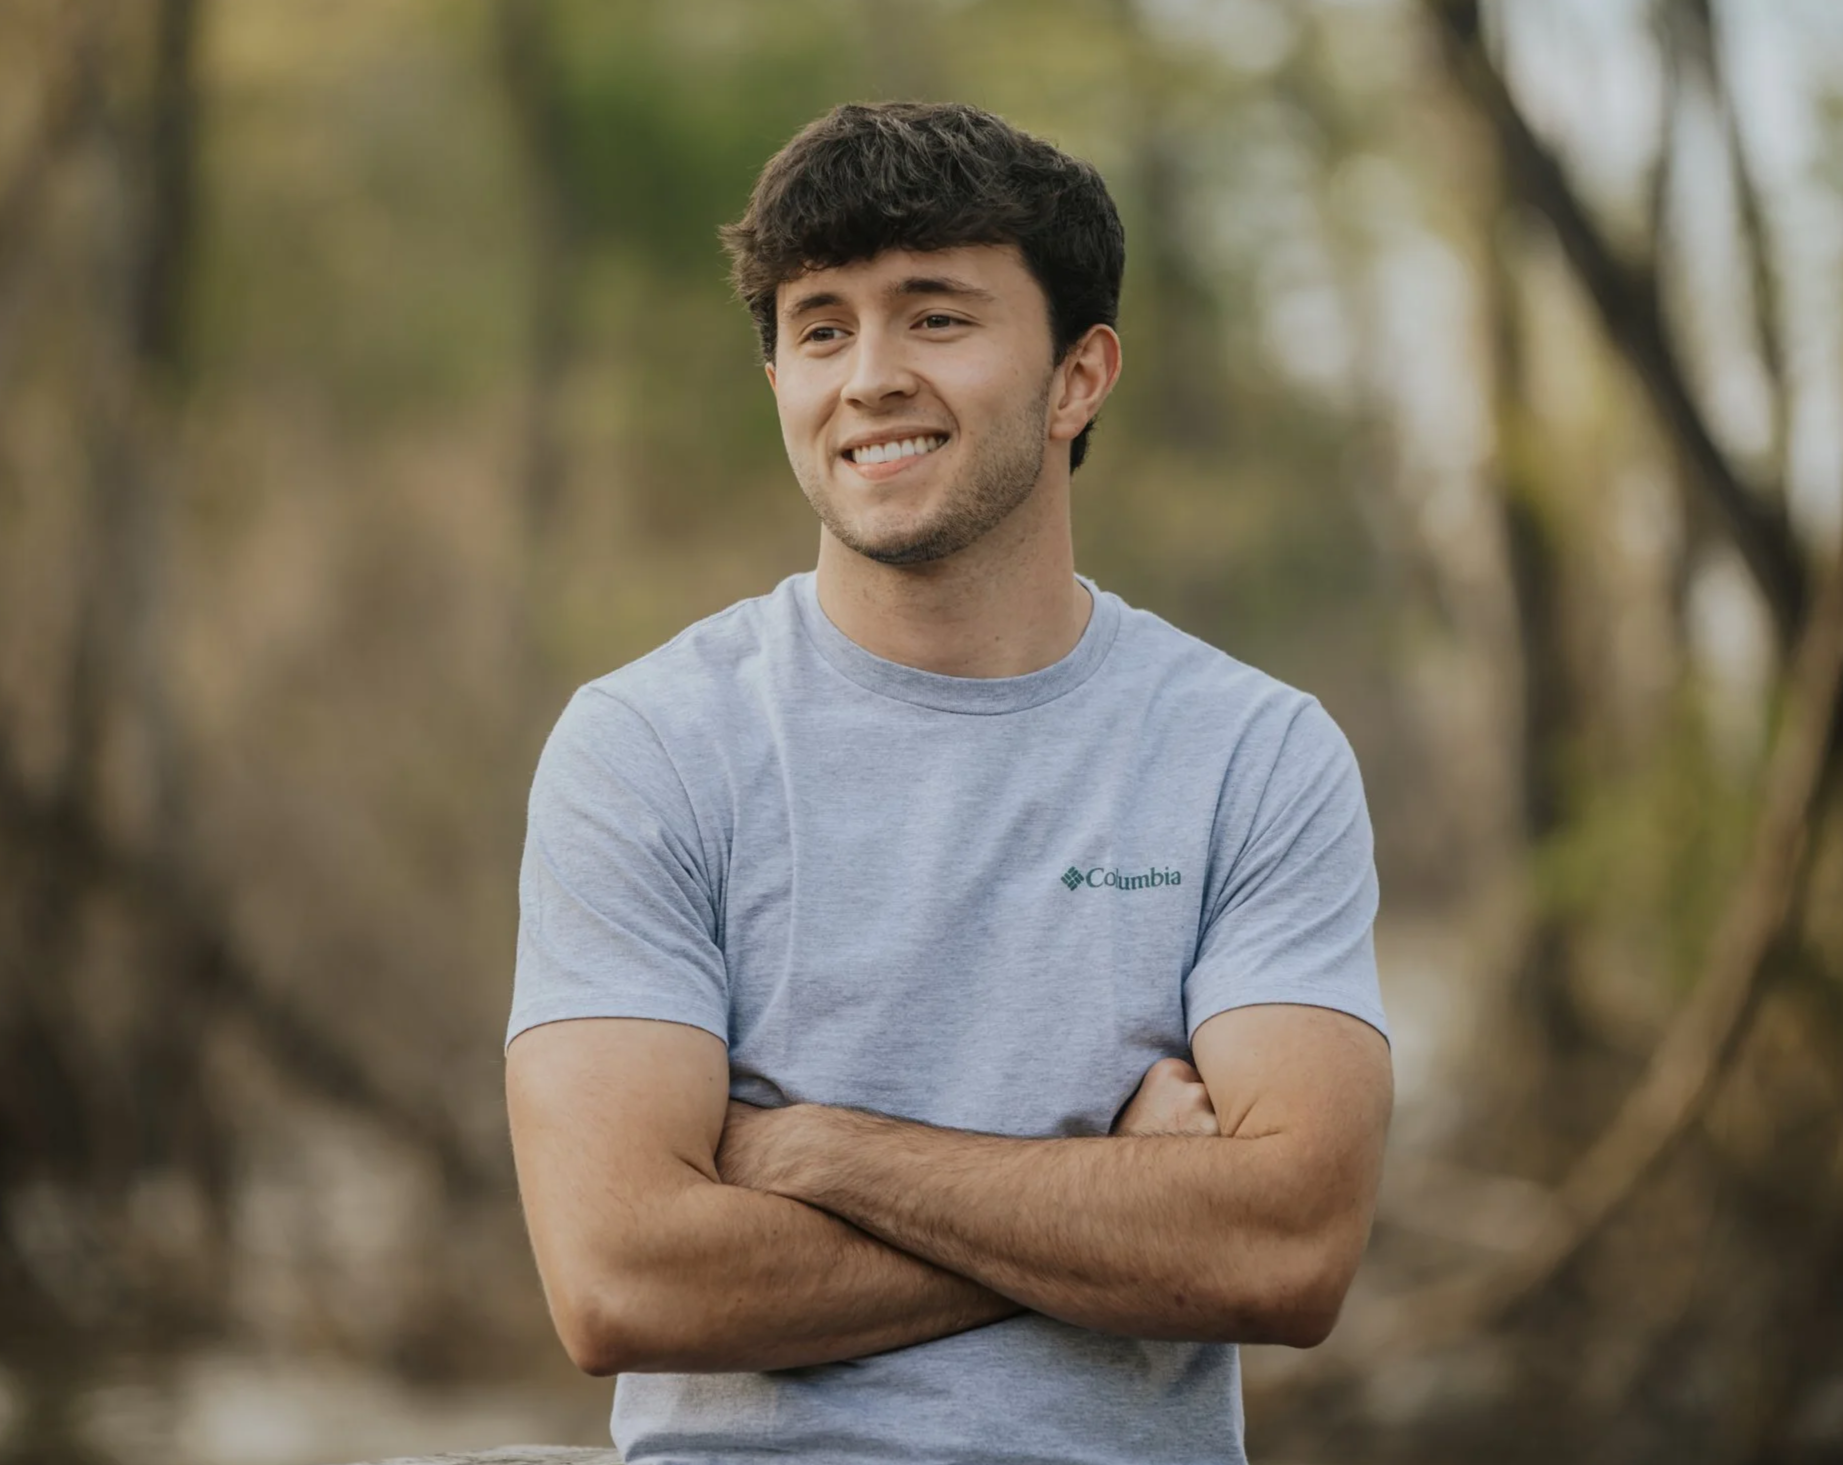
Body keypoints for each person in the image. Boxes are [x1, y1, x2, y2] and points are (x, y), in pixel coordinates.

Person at [502, 100, 1393, 1465]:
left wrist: (819, 1156)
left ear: (1078, 378)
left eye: (936, 317)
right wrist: (1133, 1203)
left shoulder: (1250, 754)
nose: (867, 377)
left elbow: (1286, 1255)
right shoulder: (650, 746)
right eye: (820, 328)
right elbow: (622, 1279)